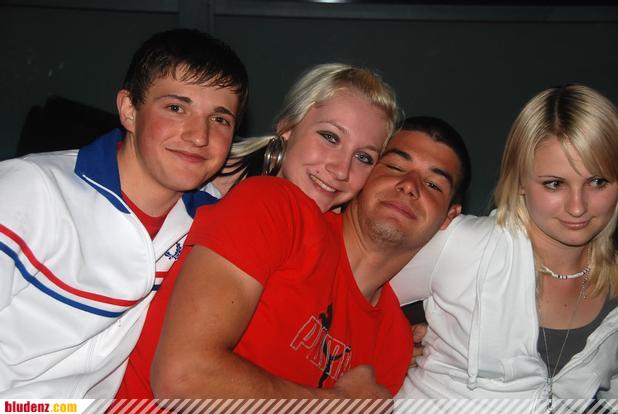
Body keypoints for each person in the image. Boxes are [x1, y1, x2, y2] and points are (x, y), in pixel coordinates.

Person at [114, 62, 403, 399]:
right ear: (288, 129)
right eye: (330, 137)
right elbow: (183, 377)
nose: (340, 169)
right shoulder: (233, 185)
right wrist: (338, 404)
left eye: (364, 158)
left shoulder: (329, 245)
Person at [0, 28, 248, 398]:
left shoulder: (210, 221)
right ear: (129, 110)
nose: (199, 136)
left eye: (220, 120)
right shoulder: (30, 191)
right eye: (176, 108)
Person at [150, 116, 471, 401]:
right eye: (395, 167)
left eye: (433, 184)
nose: (409, 186)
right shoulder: (276, 209)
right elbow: (183, 377)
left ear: (448, 216)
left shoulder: (395, 345)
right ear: (365, 175)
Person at [392, 84, 618, 406]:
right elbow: (342, 295)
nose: (578, 207)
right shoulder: (465, 245)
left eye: (598, 182)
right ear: (521, 180)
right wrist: (386, 353)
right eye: (555, 184)